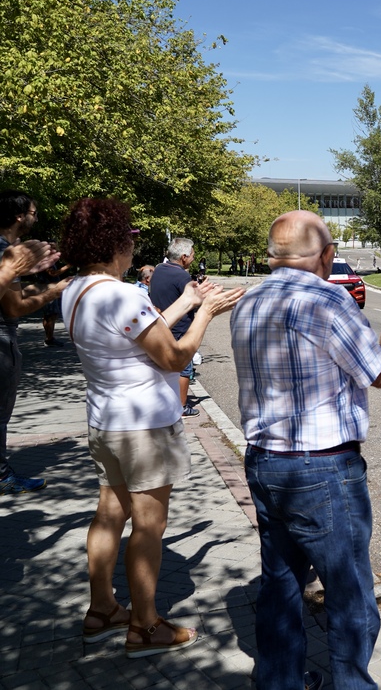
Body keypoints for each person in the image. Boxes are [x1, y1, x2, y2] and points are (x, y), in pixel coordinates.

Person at [231, 210, 381, 690]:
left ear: (273, 255)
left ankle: (279, 681)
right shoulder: (329, 299)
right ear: (328, 254)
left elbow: (316, 361)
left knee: (281, 581)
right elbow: (379, 374)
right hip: (324, 467)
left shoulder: (249, 302)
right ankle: (352, 684)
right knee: (348, 588)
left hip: (265, 462)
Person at [59, 198, 243, 657]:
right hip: (143, 427)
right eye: (127, 239)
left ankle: (101, 610)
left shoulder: (78, 290)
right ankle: (144, 627)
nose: (131, 248)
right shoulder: (121, 294)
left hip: (105, 421)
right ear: (113, 243)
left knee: (108, 514)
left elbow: (141, 333)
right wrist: (205, 315)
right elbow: (173, 356)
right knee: (149, 526)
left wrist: (186, 299)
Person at [0, 190, 71, 494]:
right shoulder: (6, 252)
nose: (36, 217)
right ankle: (2, 477)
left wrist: (31, 275)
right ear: (19, 215)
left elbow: (13, 298)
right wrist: (54, 292)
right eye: (33, 212)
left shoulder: (7, 250)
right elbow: (15, 308)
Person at [149, 238, 200, 417]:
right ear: (184, 257)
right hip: (180, 329)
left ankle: (165, 401)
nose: (194, 258)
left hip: (162, 325)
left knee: (163, 367)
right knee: (184, 369)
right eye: (192, 255)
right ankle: (182, 406)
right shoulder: (182, 276)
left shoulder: (159, 269)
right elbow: (192, 300)